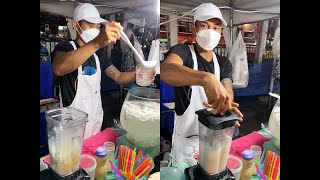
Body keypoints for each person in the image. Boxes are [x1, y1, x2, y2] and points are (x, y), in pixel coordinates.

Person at [160, 3, 244, 162]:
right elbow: (166, 70)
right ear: (194, 29)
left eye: (216, 28)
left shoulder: (224, 63)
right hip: (186, 144)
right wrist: (206, 79)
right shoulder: (183, 52)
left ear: (221, 32)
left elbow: (227, 89)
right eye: (204, 26)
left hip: (215, 139)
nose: (210, 32)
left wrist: (226, 106)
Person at [51, 3, 136, 140]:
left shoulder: (99, 55)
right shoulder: (66, 47)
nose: (94, 30)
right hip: (71, 124)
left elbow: (119, 76)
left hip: (95, 120)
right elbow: (59, 68)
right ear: (75, 25)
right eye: (90, 26)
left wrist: (138, 74)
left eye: (97, 27)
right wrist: (97, 42)